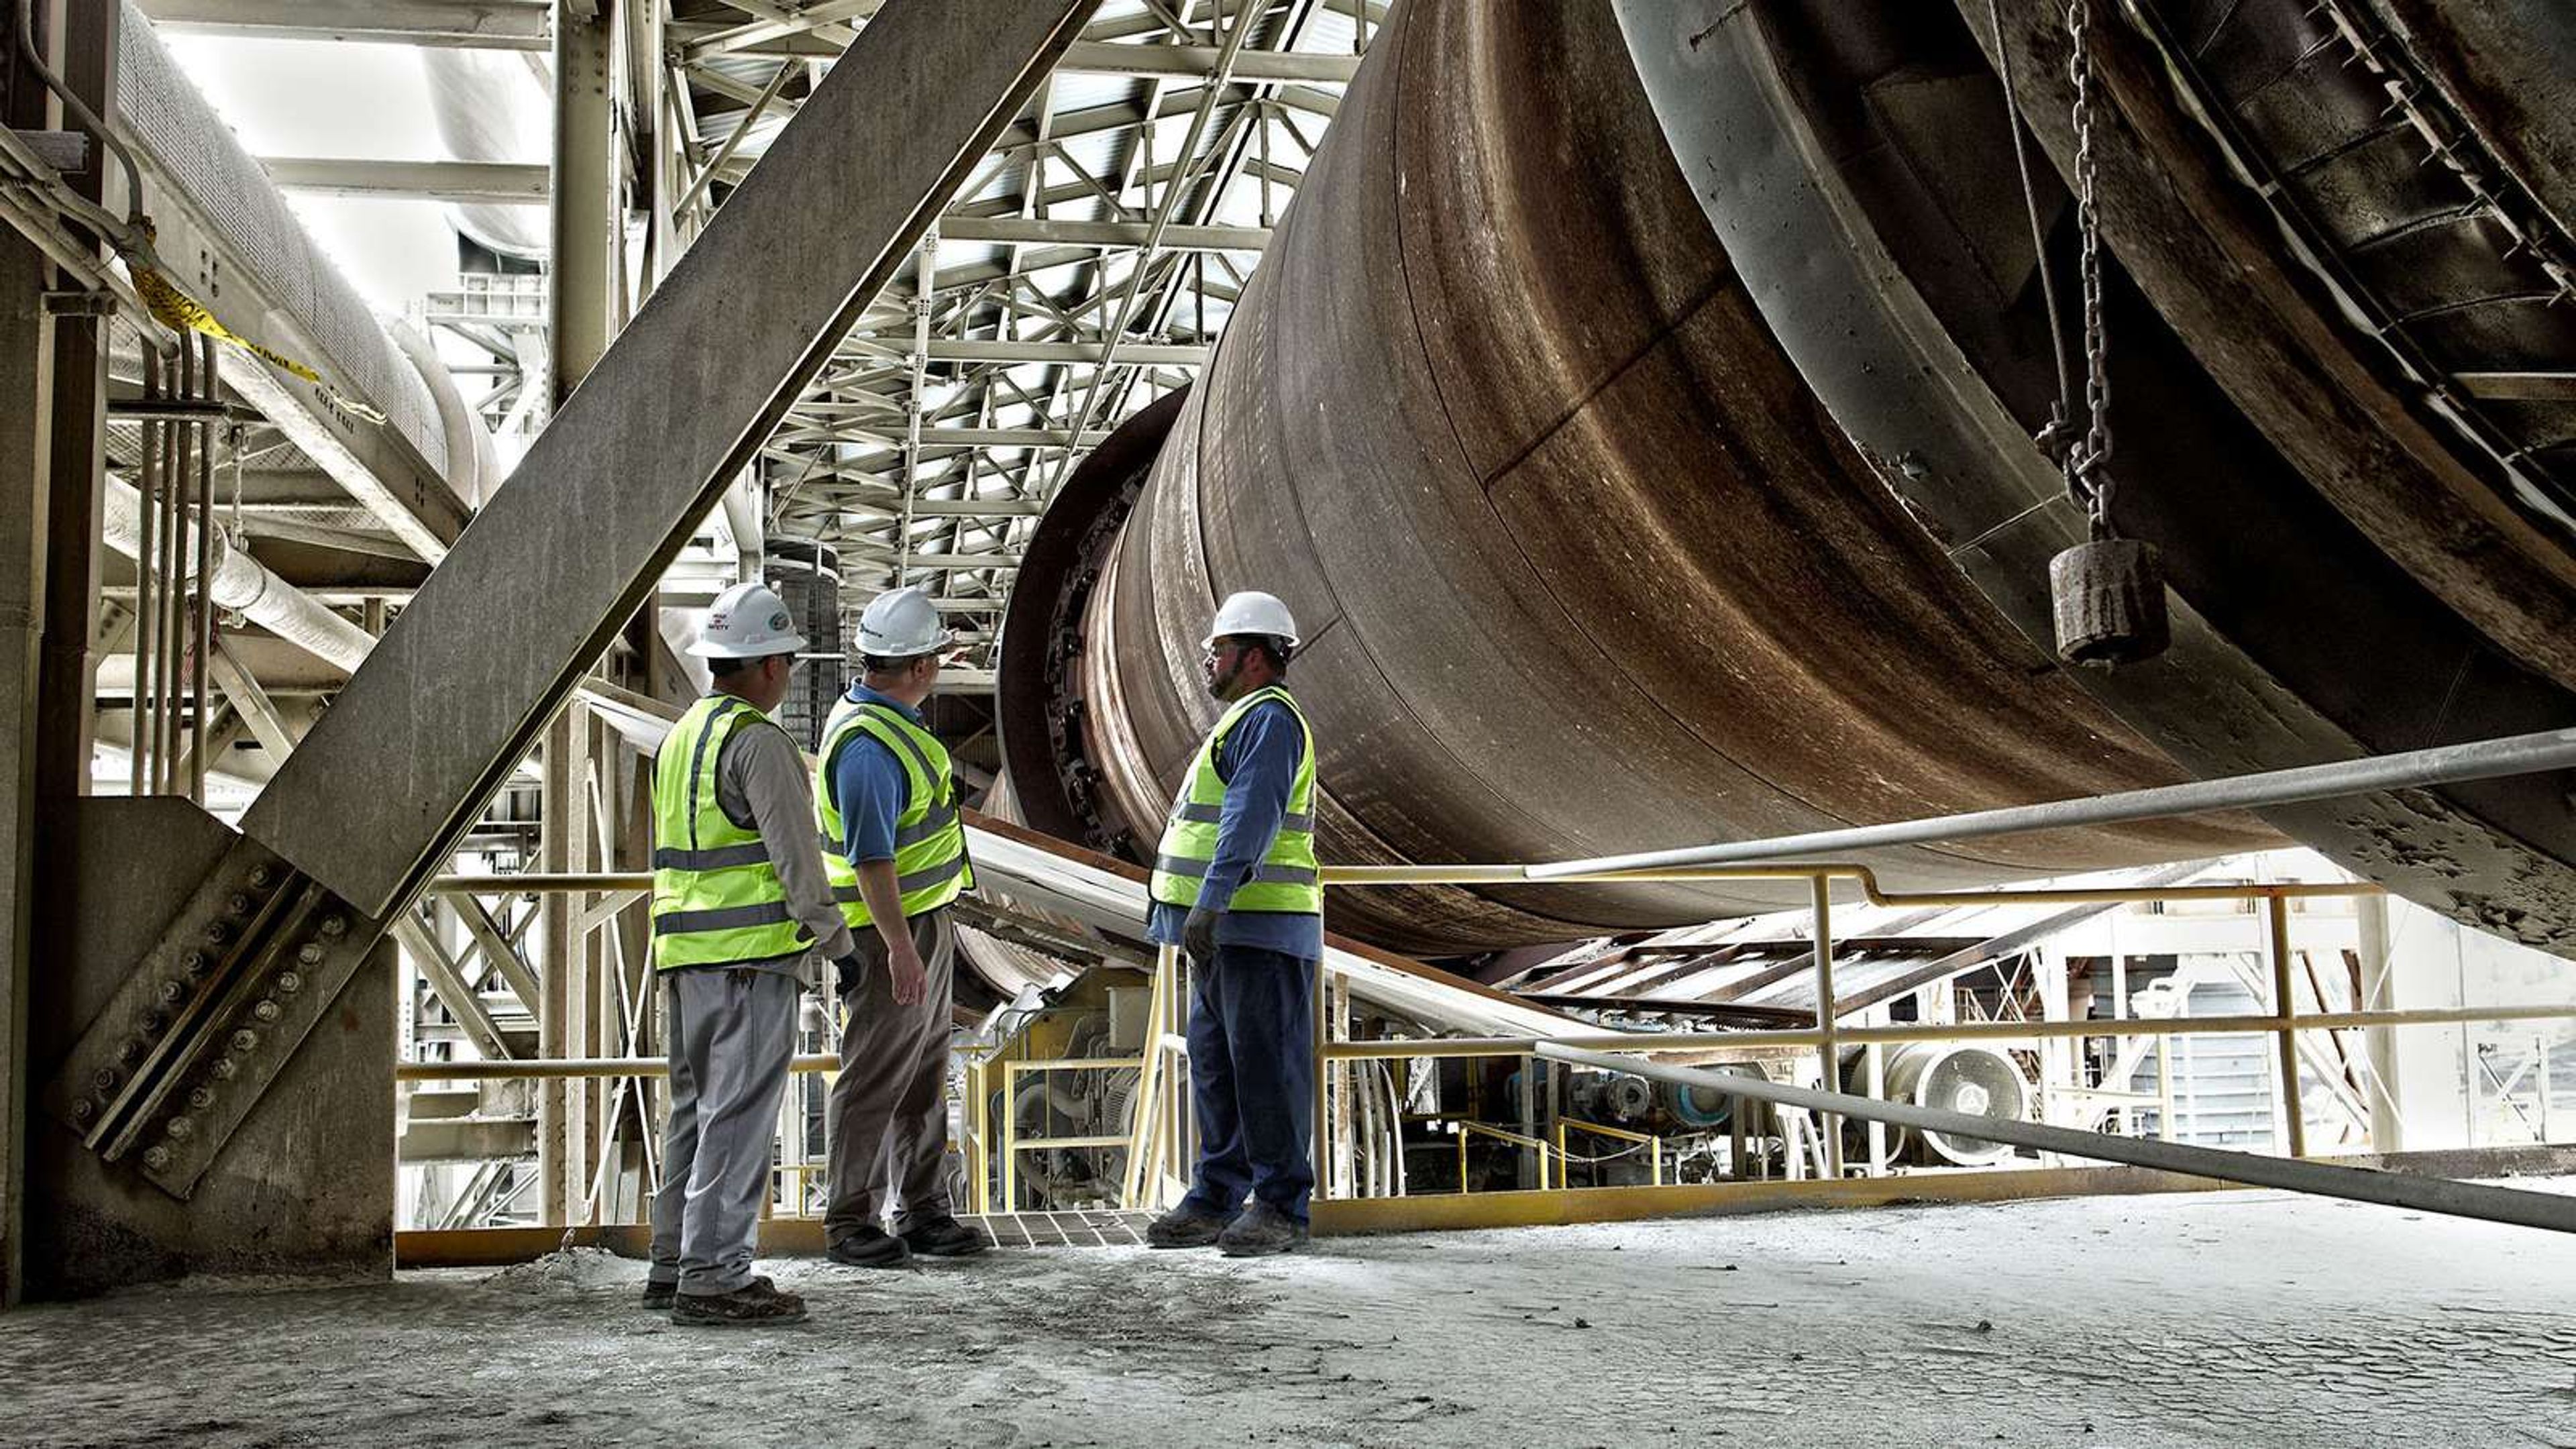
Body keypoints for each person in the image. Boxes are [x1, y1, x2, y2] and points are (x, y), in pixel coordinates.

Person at [645, 580, 869, 1326]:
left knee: (694, 1116)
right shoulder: (757, 742)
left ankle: (672, 1262)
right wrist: (840, 947)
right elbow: (797, 863)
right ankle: (714, 1278)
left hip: (683, 960)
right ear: (771, 666)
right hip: (746, 962)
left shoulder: (681, 738)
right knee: (738, 1119)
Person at [1141, 590, 1324, 1257]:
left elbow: (1252, 818)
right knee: (1218, 1069)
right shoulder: (1245, 719)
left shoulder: (1270, 721)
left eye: (1217, 650)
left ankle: (1280, 1206)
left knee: (1266, 1070)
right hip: (1222, 933)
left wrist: (1213, 899)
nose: (1208, 661)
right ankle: (1216, 1197)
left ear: (1252, 656)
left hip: (1256, 926)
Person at [816, 586, 989, 1267]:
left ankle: (922, 1211)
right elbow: (872, 861)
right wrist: (899, 951)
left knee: (923, 1073)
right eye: (937, 660)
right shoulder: (866, 749)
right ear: (918, 670)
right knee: (874, 1077)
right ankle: (849, 1220)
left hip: (923, 923)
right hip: (888, 933)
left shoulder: (888, 714)